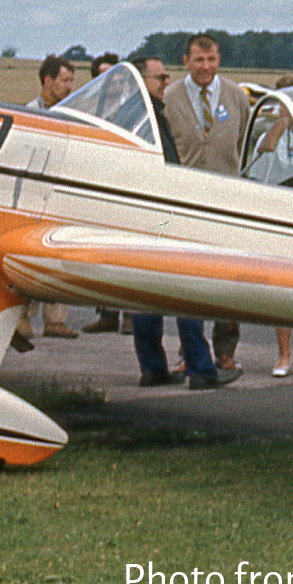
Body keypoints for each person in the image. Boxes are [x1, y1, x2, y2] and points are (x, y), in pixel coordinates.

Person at [130, 55, 239, 389]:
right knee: (183, 285)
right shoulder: (150, 117)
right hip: (164, 212)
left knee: (144, 288)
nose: (166, 83)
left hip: (142, 213)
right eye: (160, 78)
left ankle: (152, 366)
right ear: (141, 81)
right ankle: (200, 367)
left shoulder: (137, 116)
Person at [164, 33, 249, 370]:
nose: (206, 67)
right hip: (185, 200)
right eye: (199, 60)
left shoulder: (236, 97)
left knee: (228, 279)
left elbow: (241, 141)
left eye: (211, 59)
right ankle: (191, 353)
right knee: (189, 279)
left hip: (227, 200)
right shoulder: (171, 97)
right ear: (186, 61)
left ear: (219, 59)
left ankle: (226, 352)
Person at [17, 56, 77, 343]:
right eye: (64, 81)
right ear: (47, 81)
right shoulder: (29, 113)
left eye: (71, 81)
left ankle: (56, 320)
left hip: (62, 194)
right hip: (35, 195)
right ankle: (23, 318)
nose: (69, 87)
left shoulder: (73, 114)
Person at [84, 50, 127, 334]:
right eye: (106, 79)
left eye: (118, 79)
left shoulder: (135, 108)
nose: (113, 85)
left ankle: (133, 316)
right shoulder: (91, 111)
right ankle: (107, 313)